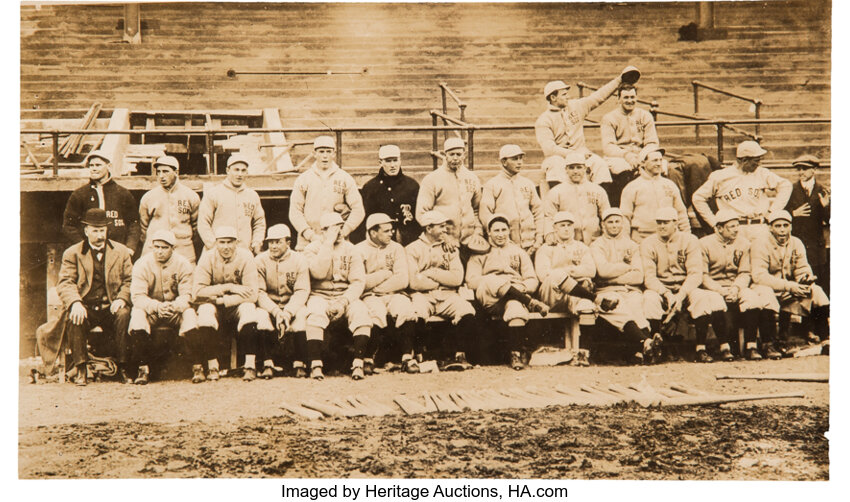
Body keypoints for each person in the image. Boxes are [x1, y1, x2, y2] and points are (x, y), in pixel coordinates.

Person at [55, 208, 133, 386]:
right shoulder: (72, 253)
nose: (100, 235)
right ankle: (82, 368)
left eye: (102, 230)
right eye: (95, 230)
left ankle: (123, 367)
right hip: (86, 307)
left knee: (124, 315)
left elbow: (130, 280)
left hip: (110, 305)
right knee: (74, 317)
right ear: (86, 231)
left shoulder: (121, 252)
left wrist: (121, 298)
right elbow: (65, 282)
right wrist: (75, 302)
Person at [641, 207, 728, 362]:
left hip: (685, 287)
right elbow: (649, 277)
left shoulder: (689, 240)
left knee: (701, 297)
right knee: (649, 299)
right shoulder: (648, 243)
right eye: (659, 222)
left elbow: (695, 274)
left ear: (675, 223)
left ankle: (700, 349)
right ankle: (657, 349)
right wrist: (666, 293)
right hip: (661, 288)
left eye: (666, 222)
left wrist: (681, 295)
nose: (661, 226)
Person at [534, 66, 640, 192]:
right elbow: (549, 149)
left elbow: (599, 96)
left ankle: (599, 203)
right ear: (553, 98)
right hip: (559, 157)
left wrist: (619, 80)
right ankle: (562, 204)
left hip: (582, 153)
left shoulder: (576, 106)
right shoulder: (543, 120)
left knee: (600, 165)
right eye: (564, 94)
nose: (568, 97)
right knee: (555, 165)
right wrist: (573, 154)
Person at [535, 211, 618, 366]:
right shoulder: (546, 248)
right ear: (555, 228)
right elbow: (543, 275)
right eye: (562, 226)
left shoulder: (581, 247)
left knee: (587, 305)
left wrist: (568, 273)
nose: (566, 229)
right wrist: (571, 273)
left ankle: (583, 354)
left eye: (569, 225)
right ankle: (598, 299)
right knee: (556, 276)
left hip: (575, 295)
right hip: (552, 296)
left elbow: (591, 271)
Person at [465, 214, 548, 370]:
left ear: (509, 230)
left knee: (516, 306)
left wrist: (520, 288)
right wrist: (492, 280)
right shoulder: (481, 252)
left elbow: (532, 279)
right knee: (491, 280)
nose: (501, 234)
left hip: (516, 295)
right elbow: (471, 280)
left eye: (504, 230)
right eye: (496, 230)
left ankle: (515, 354)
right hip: (490, 298)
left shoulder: (518, 252)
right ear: (489, 233)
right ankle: (530, 302)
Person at [699, 210, 781, 361]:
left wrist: (736, 288)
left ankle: (751, 346)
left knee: (753, 298)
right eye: (731, 227)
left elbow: (745, 272)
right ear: (719, 228)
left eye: (737, 226)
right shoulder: (704, 244)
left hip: (737, 286)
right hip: (714, 288)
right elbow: (703, 276)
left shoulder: (744, 243)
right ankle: (724, 348)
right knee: (715, 302)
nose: (736, 229)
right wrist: (721, 290)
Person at [303, 212, 373, 380]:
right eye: (334, 228)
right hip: (319, 294)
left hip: (344, 295)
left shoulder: (351, 249)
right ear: (323, 230)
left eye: (341, 227)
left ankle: (358, 363)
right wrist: (327, 243)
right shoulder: (311, 249)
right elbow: (318, 273)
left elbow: (357, 282)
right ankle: (316, 365)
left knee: (361, 313)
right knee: (314, 316)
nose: (339, 232)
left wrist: (343, 302)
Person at [406, 210, 477, 371]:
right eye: (441, 227)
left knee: (467, 310)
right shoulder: (412, 249)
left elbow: (457, 278)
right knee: (417, 312)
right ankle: (419, 355)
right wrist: (440, 282)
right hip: (422, 295)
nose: (445, 230)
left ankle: (459, 356)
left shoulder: (450, 248)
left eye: (446, 226)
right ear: (429, 228)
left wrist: (431, 273)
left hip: (448, 295)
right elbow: (414, 282)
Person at [589, 208, 661, 364]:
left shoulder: (632, 245)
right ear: (603, 224)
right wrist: (625, 266)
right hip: (607, 290)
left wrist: (613, 277)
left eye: (617, 221)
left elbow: (638, 276)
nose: (614, 225)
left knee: (636, 305)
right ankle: (646, 343)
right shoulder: (597, 245)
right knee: (619, 308)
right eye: (610, 222)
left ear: (622, 223)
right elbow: (602, 271)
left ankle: (641, 349)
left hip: (629, 289)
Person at [751, 211, 830, 351]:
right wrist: (788, 286)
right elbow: (759, 276)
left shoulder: (796, 242)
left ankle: (825, 340)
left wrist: (805, 279)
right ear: (770, 228)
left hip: (791, 288)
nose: (782, 229)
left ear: (791, 227)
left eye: (786, 225)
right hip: (767, 288)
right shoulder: (760, 243)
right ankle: (769, 343)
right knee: (766, 294)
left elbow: (802, 267)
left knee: (817, 291)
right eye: (778, 226)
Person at [128, 229, 198, 383]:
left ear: (173, 248)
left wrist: (175, 306)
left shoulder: (183, 264)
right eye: (156, 247)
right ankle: (142, 369)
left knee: (190, 315)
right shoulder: (142, 264)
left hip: (174, 310)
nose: (159, 251)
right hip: (152, 311)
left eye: (165, 248)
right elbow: (137, 296)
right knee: (137, 315)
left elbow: (188, 295)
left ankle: (196, 366)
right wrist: (156, 306)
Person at [192, 226, 259, 382]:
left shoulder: (246, 256)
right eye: (222, 242)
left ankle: (250, 366)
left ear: (236, 242)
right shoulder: (208, 257)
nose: (226, 247)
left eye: (230, 242)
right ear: (216, 243)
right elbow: (198, 291)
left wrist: (224, 300)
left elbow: (252, 293)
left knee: (249, 310)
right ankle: (212, 366)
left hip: (234, 305)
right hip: (214, 305)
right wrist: (228, 287)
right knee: (205, 312)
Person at [355, 213, 419, 374]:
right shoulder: (358, 250)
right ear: (373, 232)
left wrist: (374, 286)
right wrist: (384, 275)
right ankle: (368, 359)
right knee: (376, 313)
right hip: (369, 297)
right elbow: (360, 283)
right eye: (386, 231)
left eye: (392, 230)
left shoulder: (397, 248)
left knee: (405, 308)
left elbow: (402, 279)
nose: (391, 233)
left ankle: (407, 357)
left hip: (394, 293)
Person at [692, 141, 792, 241]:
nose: (758, 164)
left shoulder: (761, 173)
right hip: (734, 228)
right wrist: (714, 222)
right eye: (755, 161)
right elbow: (698, 198)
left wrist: (772, 211)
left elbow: (786, 186)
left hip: (759, 226)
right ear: (744, 160)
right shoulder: (720, 176)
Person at [289, 135, 365, 250]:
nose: (325, 156)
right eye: (321, 151)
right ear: (314, 153)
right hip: (308, 243)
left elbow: (358, 210)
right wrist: (310, 235)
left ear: (334, 153)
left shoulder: (344, 178)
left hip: (337, 242)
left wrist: (343, 232)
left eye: (328, 152)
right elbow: (295, 211)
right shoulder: (303, 179)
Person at [416, 137, 488, 256]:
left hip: (469, 241)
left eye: (459, 154)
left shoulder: (472, 178)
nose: (455, 158)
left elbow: (477, 210)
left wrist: (478, 232)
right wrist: (443, 236)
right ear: (445, 155)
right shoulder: (432, 179)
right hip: (442, 243)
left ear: (464, 155)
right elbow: (422, 213)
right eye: (451, 154)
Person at [254, 224, 310, 378]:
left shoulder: (299, 259)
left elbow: (302, 290)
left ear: (288, 243)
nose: (273, 246)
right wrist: (276, 311)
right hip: (269, 305)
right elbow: (259, 292)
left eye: (278, 242)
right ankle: (268, 363)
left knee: (302, 315)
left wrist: (288, 312)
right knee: (260, 316)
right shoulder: (260, 260)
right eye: (270, 242)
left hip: (292, 304)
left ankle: (300, 363)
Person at [61, 150, 140, 255]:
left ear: (109, 166)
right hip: (88, 253)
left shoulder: (122, 193)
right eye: (91, 165)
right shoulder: (80, 194)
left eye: (98, 165)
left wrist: (130, 248)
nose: (93, 168)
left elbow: (133, 223)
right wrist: (84, 248)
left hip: (117, 252)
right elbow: (69, 226)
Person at [600, 84, 660, 207]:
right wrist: (627, 155)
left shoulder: (645, 116)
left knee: (660, 166)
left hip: (641, 155)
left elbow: (652, 142)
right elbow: (608, 146)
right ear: (618, 99)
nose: (630, 101)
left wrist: (642, 157)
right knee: (623, 169)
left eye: (632, 97)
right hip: (619, 156)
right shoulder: (609, 118)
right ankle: (623, 208)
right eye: (626, 97)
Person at [479, 144, 544, 256]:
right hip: (505, 244)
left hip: (531, 244)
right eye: (514, 159)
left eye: (521, 158)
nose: (519, 162)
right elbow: (485, 215)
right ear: (504, 162)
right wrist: (501, 238)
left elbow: (538, 212)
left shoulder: (527, 183)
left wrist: (539, 238)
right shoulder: (492, 185)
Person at [197, 153, 266, 255]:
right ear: (227, 170)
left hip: (244, 252)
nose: (240, 174)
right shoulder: (214, 193)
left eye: (243, 170)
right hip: (217, 253)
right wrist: (213, 246)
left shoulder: (252, 195)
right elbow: (203, 223)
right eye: (236, 170)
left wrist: (256, 242)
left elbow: (259, 222)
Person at [354, 144, 421, 245]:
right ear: (380, 162)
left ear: (400, 161)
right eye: (388, 161)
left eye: (395, 160)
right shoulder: (371, 187)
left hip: (409, 241)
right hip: (380, 243)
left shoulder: (412, 185)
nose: (392, 165)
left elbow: (419, 217)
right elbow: (364, 220)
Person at [620, 146, 690, 243]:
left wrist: (687, 238)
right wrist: (626, 244)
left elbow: (681, 213)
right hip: (642, 240)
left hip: (669, 240)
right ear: (643, 163)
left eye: (660, 160)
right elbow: (625, 218)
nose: (659, 164)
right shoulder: (632, 187)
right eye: (654, 160)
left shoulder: (669, 185)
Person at [138, 155, 200, 263]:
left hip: (183, 250)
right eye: (158, 172)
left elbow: (196, 227)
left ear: (176, 172)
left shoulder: (191, 196)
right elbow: (143, 227)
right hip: (155, 251)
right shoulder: (149, 197)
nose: (161, 176)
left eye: (166, 171)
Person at [785, 154, 830, 295]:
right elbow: (780, 214)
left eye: (805, 168)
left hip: (816, 245)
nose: (801, 172)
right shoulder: (790, 190)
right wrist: (793, 214)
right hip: (796, 242)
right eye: (799, 169)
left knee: (818, 281)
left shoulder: (822, 191)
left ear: (814, 170)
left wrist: (826, 207)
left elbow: (830, 220)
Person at [543, 152, 610, 245]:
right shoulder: (556, 191)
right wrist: (549, 234)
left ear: (585, 169)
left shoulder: (597, 190)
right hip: (567, 242)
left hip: (594, 241)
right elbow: (549, 216)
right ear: (566, 169)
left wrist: (605, 237)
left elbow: (606, 215)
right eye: (571, 168)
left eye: (579, 167)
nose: (575, 171)